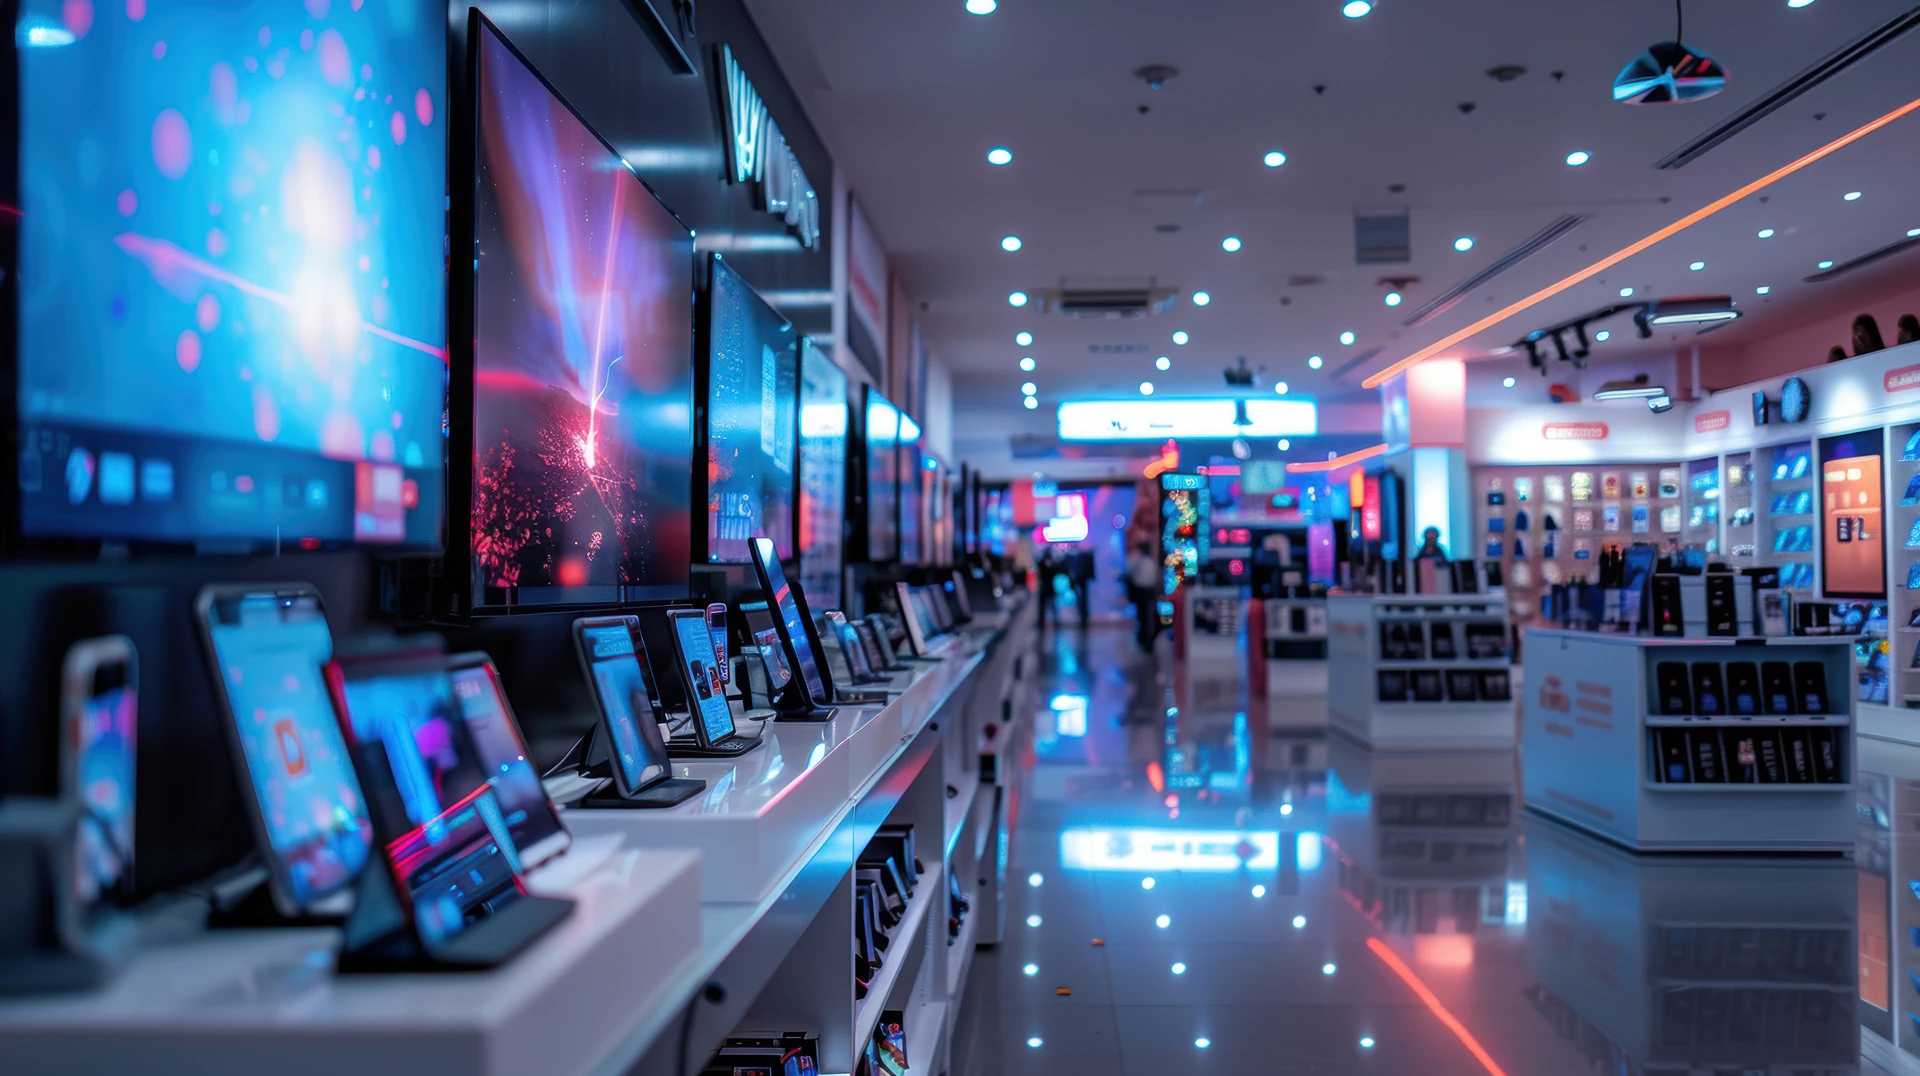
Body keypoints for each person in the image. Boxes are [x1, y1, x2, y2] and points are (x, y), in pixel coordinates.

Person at [1127, 539, 1161, 651]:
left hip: (1149, 592)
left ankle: (1147, 640)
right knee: (1143, 616)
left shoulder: (1150, 561)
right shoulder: (1138, 560)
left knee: (1148, 617)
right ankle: (1143, 640)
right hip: (1141, 592)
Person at [1067, 546, 1095, 629]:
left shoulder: (1080, 558)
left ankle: (1084, 618)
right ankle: (1082, 617)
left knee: (1083, 600)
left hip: (1081, 580)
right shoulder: (1073, 558)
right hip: (1077, 580)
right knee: (1081, 600)